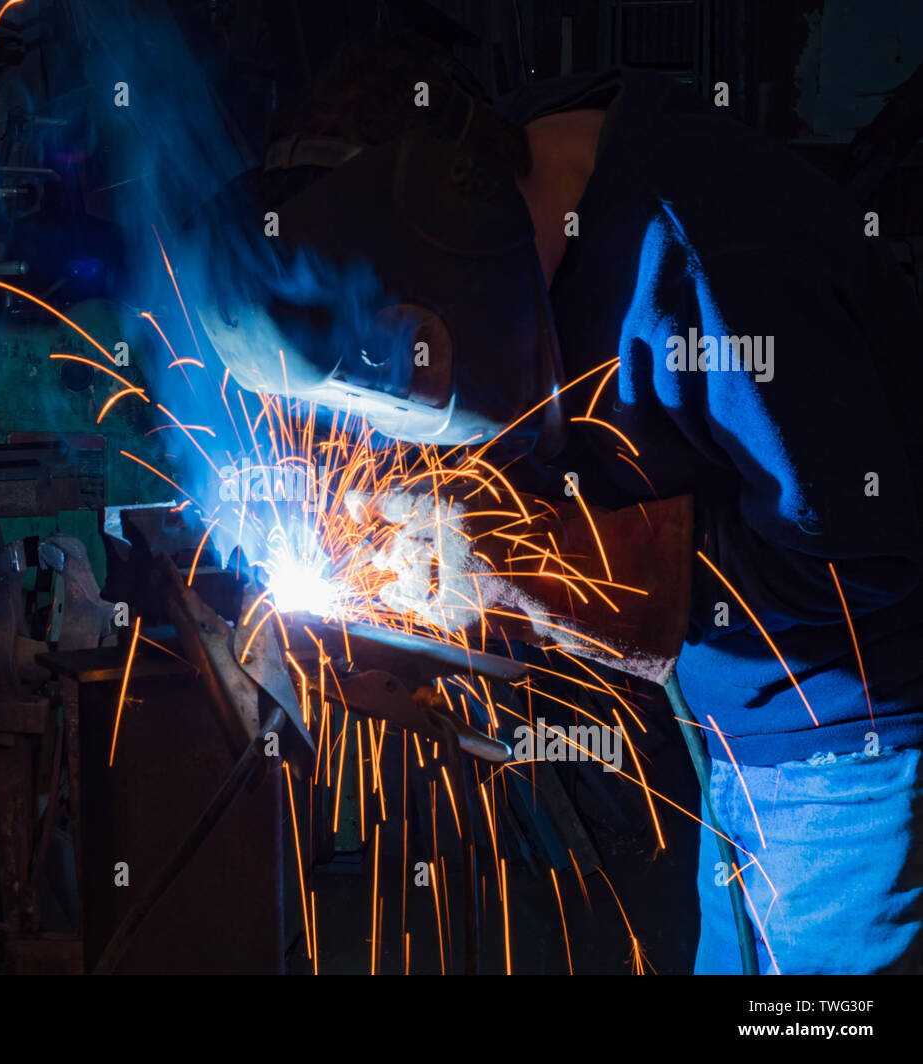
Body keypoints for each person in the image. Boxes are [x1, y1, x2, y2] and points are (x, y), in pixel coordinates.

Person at [197, 36, 923, 974]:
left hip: (863, 749)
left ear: (451, 218)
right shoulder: (521, 168)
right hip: (739, 744)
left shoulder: (707, 260)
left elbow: (861, 558)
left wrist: (545, 576)